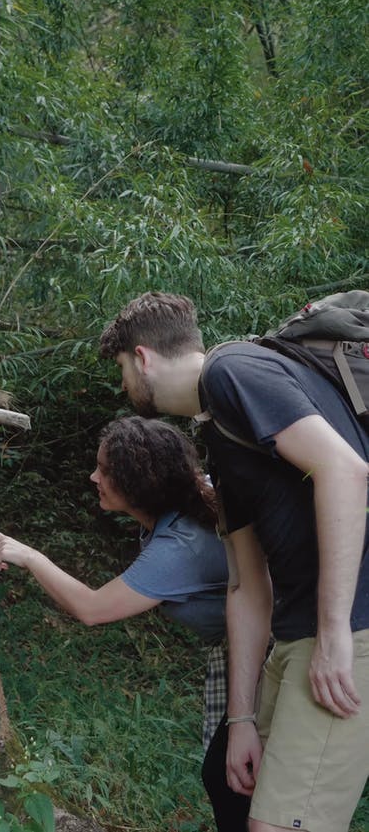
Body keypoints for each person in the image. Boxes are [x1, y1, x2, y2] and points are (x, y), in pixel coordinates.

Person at [99, 291, 369, 832]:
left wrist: (335, 631)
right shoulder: (218, 430)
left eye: (124, 368)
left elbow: (344, 470)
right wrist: (241, 717)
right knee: (238, 797)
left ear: (144, 356)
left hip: (351, 628)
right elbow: (247, 587)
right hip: (295, 635)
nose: (125, 385)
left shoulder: (232, 369)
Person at [0, 416, 248, 831]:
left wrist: (31, 557)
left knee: (230, 778)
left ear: (137, 482)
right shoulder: (190, 501)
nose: (93, 477)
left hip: (268, 657)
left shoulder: (181, 547)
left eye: (104, 471)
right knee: (228, 776)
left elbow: (92, 608)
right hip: (244, 654)